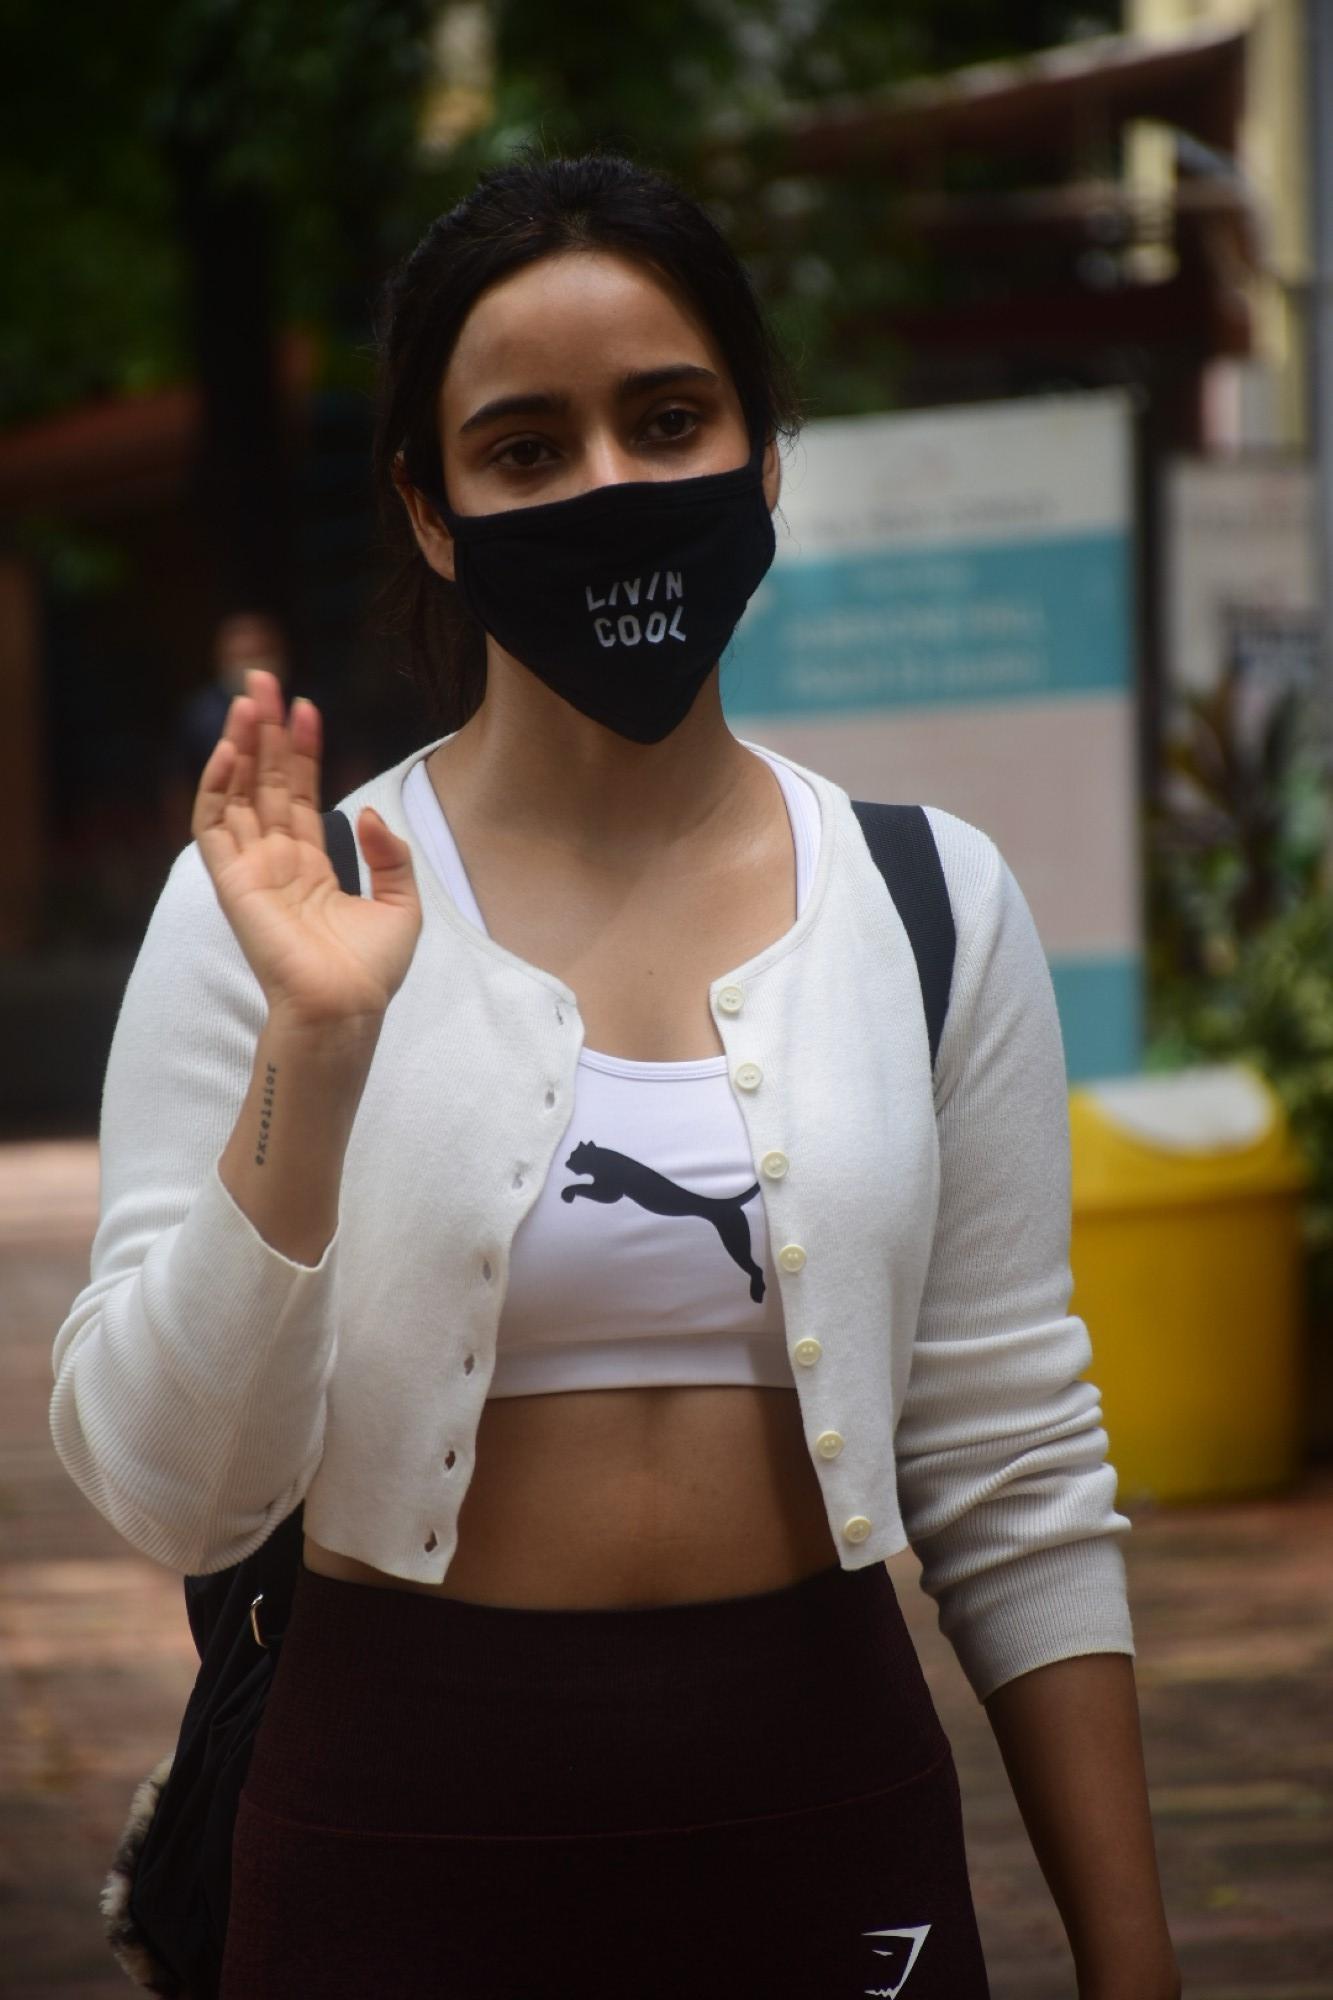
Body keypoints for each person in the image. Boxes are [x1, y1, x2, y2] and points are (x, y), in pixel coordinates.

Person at [51, 151, 1181, 1999]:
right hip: (393, 1832)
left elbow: (1009, 1464)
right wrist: (315, 1058)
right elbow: (173, 1490)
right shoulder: (275, 912)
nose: (609, 487)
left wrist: (1134, 1967)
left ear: (762, 449)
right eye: (524, 446)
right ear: (431, 510)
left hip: (832, 1829)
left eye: (668, 419)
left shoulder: (927, 900)